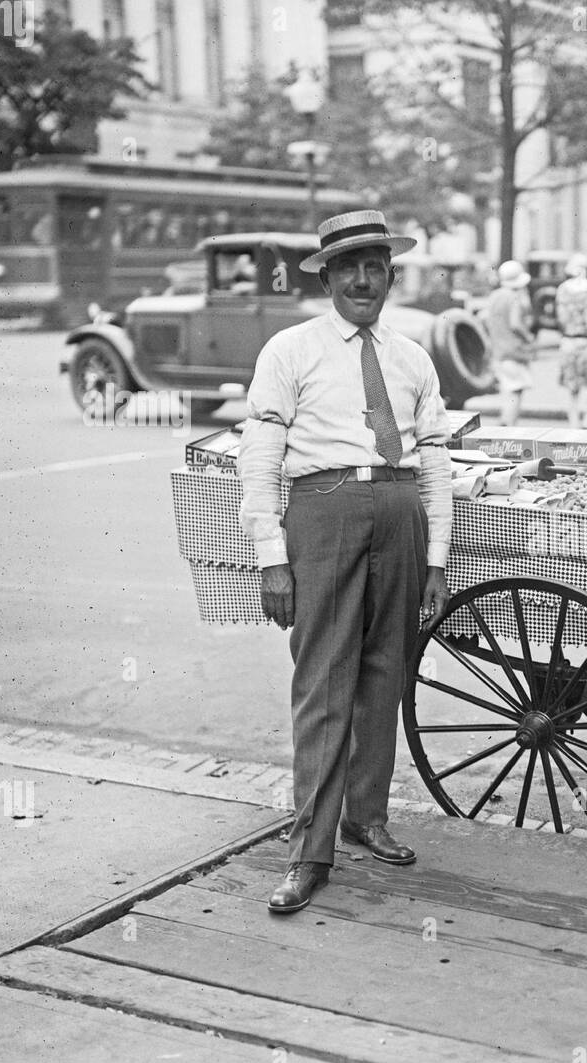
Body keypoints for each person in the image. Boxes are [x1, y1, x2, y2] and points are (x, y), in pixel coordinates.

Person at [237, 209, 453, 915]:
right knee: (324, 680)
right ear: (326, 276)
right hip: (323, 509)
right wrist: (272, 555)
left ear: (392, 275)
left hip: (398, 512)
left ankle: (367, 815)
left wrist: (438, 556)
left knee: (386, 670)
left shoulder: (413, 357)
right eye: (349, 266)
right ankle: (310, 849)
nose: (364, 278)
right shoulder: (290, 350)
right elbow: (261, 456)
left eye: (376, 265)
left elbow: (438, 461)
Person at [554, 253, 587, 428]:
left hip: (568, 341)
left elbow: (561, 318)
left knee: (572, 386)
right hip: (586, 342)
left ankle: (574, 422)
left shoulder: (562, 288)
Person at [483, 259, 534, 425]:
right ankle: (508, 424)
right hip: (515, 350)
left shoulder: (494, 296)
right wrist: (528, 336)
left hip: (498, 351)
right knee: (516, 390)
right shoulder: (514, 297)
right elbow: (516, 323)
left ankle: (505, 421)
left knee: (508, 389)